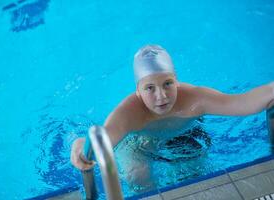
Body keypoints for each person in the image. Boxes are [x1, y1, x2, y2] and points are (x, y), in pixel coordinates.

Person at [71, 44, 274, 189]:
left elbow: (242, 102)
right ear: (138, 91)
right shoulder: (130, 112)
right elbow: (105, 138)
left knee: (194, 175)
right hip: (140, 143)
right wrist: (81, 145)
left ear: (176, 80)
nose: (161, 96)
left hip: (185, 133)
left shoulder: (195, 99)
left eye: (167, 83)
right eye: (150, 88)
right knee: (138, 177)